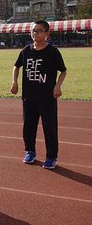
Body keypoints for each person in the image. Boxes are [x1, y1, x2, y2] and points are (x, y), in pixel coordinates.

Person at [11, 20, 67, 169]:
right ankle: (30, 151)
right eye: (33, 30)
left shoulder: (52, 52)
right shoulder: (26, 51)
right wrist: (15, 82)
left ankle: (51, 156)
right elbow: (16, 66)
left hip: (47, 98)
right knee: (28, 127)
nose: (35, 33)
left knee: (49, 128)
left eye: (39, 30)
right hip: (29, 97)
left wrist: (57, 86)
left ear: (47, 34)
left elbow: (63, 71)